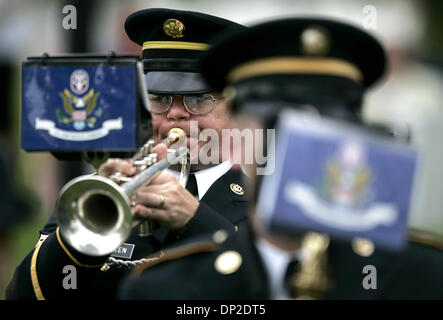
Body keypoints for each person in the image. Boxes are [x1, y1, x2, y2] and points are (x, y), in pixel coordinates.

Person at [118, 17, 443, 300]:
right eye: (278, 127)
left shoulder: (424, 276)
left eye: (326, 127)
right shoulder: (162, 288)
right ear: (240, 140)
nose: (302, 148)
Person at [6, 8, 248, 300]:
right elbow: (25, 293)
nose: (174, 114)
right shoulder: (103, 190)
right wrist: (87, 231)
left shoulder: (262, 200)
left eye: (198, 99)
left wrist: (195, 220)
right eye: (159, 98)